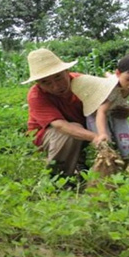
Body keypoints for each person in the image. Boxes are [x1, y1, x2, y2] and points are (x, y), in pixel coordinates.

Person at [23, 48, 98, 179]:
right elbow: (60, 126)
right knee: (69, 133)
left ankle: (80, 164)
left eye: (58, 77)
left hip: (83, 130)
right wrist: (96, 138)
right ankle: (57, 178)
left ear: (67, 72)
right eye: (46, 82)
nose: (56, 86)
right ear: (38, 83)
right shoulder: (36, 96)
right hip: (47, 135)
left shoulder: (83, 83)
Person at [71, 53, 129, 163]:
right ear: (118, 74)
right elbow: (101, 112)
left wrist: (107, 74)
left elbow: (110, 76)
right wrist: (102, 133)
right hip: (96, 114)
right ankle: (107, 162)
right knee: (104, 141)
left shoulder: (125, 82)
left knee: (125, 136)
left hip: (114, 110)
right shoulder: (112, 90)